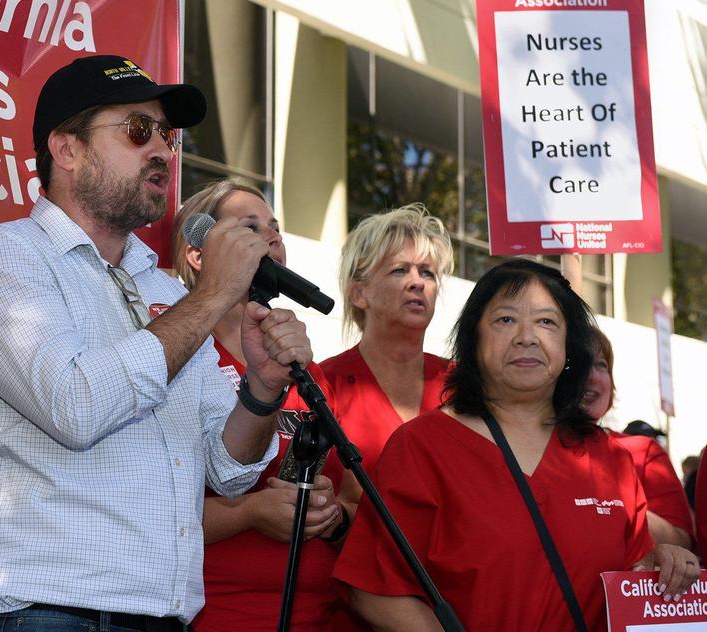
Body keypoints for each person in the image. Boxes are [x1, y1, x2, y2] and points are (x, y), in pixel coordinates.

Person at [0, 54, 313, 631]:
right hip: (52, 613)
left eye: (167, 135)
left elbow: (228, 469)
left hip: (165, 616)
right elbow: (76, 406)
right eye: (138, 131)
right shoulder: (6, 257)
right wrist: (211, 297)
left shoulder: (163, 288)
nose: (164, 151)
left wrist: (262, 391)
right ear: (66, 150)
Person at [333, 259, 700, 630]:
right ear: (473, 339)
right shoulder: (421, 447)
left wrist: (661, 565)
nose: (527, 336)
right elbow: (374, 588)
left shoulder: (611, 460)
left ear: (569, 347)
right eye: (505, 320)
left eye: (546, 322)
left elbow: (630, 578)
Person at [172, 179, 345, 631]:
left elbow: (342, 491)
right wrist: (249, 514)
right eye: (250, 228)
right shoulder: (176, 356)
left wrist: (329, 510)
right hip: (217, 613)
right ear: (198, 253)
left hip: (313, 614)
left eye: (275, 228)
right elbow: (152, 503)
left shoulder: (303, 368)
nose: (272, 238)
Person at [315, 204, 453, 629]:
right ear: (360, 293)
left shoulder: (463, 386)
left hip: (453, 601)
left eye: (427, 273)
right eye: (399, 271)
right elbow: (323, 508)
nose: (417, 283)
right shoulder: (324, 384)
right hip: (352, 608)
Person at [582, 328, 694, 548]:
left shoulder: (642, 451)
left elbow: (682, 545)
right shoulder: (525, 451)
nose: (592, 376)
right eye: (578, 364)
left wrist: (609, 502)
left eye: (602, 365)